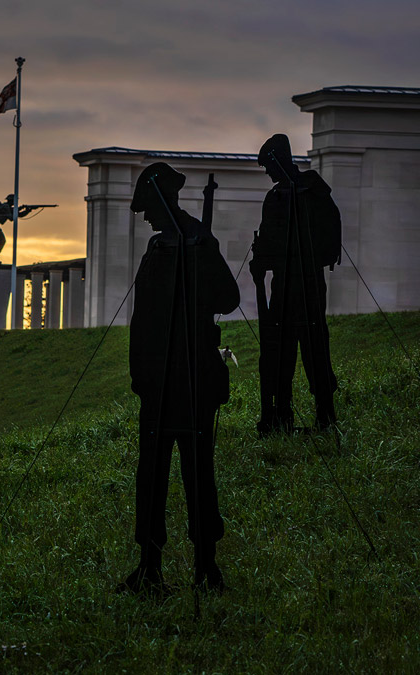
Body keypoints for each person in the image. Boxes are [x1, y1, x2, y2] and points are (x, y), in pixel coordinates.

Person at [121, 162, 239, 594]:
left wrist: (199, 279)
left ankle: (207, 566)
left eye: (149, 207)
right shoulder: (158, 248)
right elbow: (142, 318)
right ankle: (149, 566)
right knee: (150, 478)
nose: (146, 217)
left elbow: (229, 297)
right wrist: (141, 377)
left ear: (162, 201)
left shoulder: (199, 242)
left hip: (193, 381)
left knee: (197, 475)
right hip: (156, 383)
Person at [251, 133, 341, 434]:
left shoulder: (313, 192)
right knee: (281, 350)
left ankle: (325, 414)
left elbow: (329, 235)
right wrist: (261, 261)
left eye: (269, 166)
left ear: (280, 160)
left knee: (315, 346)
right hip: (282, 285)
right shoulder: (274, 198)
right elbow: (267, 238)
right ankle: (281, 412)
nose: (268, 173)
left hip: (309, 283)